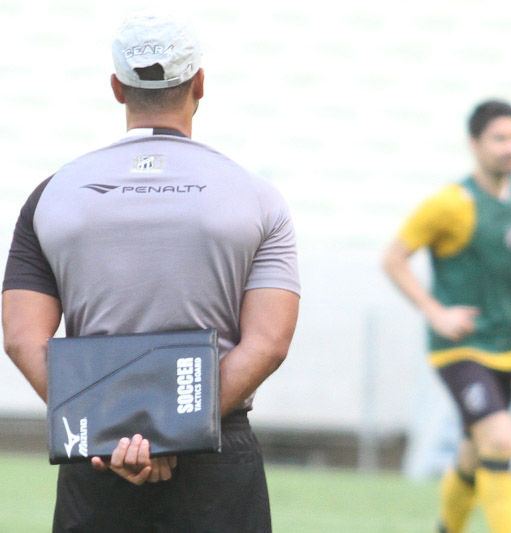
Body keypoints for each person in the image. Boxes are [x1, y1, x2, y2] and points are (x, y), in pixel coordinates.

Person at [2, 14, 300, 532]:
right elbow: (269, 342)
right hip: (216, 455)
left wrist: (110, 427)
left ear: (117, 88)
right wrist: (172, 430)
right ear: (201, 84)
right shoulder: (257, 197)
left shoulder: (52, 194)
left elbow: (22, 338)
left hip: (95, 451)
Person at [383, 99, 511, 533]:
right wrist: (435, 312)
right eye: (499, 138)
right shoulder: (451, 203)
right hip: (461, 346)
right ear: (474, 144)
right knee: (501, 439)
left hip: (507, 344)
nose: (510, 147)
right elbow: (394, 258)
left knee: (474, 451)